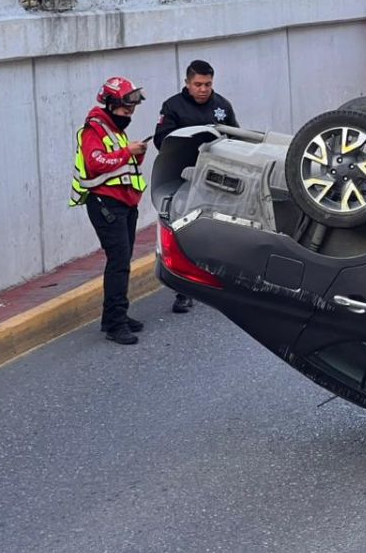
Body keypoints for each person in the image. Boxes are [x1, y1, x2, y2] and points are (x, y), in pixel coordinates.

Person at [154, 59, 239, 314]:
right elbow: (162, 140)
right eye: (198, 84)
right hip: (185, 178)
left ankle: (221, 279)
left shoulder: (222, 106)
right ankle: (184, 291)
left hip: (215, 178)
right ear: (187, 83)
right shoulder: (173, 107)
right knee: (184, 231)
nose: (203, 89)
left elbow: (236, 136)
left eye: (208, 84)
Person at [69, 77, 148, 345]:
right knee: (118, 263)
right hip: (106, 205)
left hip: (124, 204)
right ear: (111, 104)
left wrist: (136, 153)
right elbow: (96, 163)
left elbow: (118, 166)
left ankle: (115, 317)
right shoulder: (94, 129)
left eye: (132, 111)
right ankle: (115, 325)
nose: (130, 115)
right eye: (126, 110)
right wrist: (128, 151)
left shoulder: (113, 128)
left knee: (122, 262)